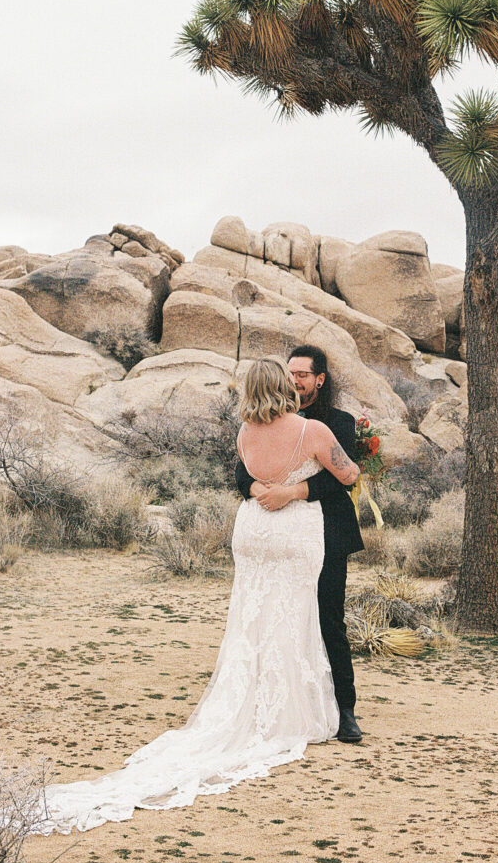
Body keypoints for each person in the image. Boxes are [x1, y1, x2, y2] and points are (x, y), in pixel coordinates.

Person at [29, 356, 359, 835]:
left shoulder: (246, 434)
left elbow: (242, 477)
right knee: (296, 616)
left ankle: (255, 702)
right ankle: (292, 712)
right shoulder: (312, 431)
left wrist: (272, 487)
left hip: (253, 530)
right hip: (292, 534)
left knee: (253, 617)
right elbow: (348, 476)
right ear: (282, 387)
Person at [235, 345, 364, 744]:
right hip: (280, 533)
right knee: (281, 620)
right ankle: (285, 702)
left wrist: (291, 492)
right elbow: (241, 472)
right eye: (289, 374)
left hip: (326, 532)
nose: (295, 380)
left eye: (302, 375)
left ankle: (344, 709)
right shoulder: (259, 424)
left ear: (318, 380)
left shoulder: (337, 423)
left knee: (328, 620)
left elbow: (340, 480)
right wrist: (259, 488)